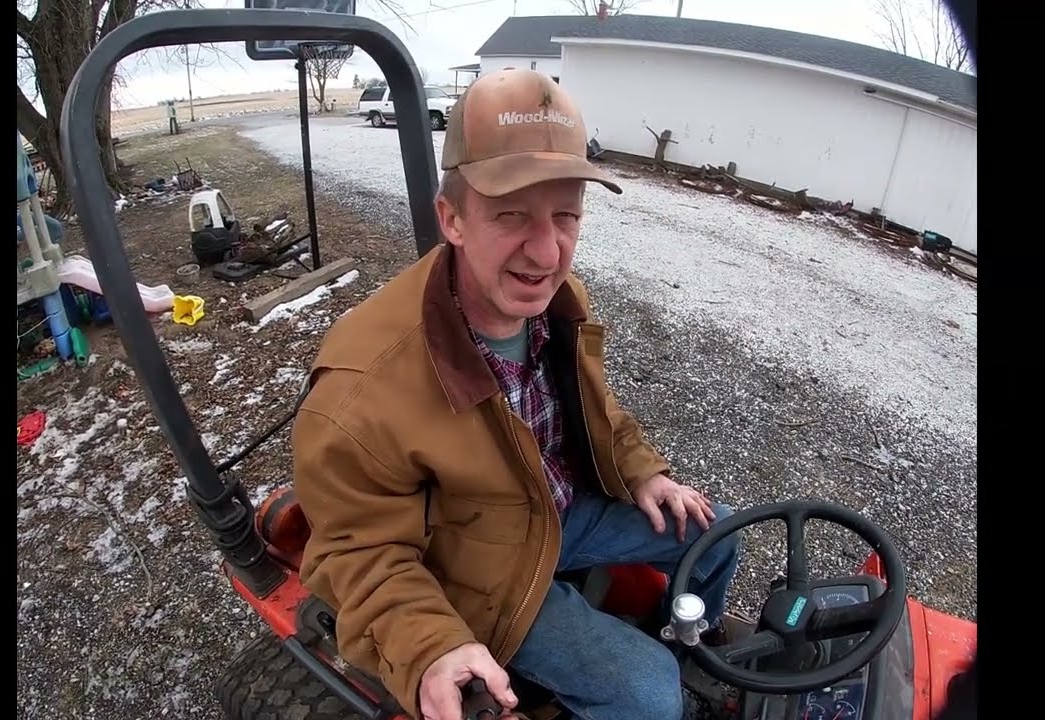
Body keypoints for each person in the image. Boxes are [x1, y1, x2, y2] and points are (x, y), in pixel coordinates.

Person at [291, 68, 742, 720]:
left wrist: (645, 473)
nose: (546, 249)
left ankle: (687, 635)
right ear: (452, 218)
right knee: (648, 693)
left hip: (562, 510)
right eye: (511, 214)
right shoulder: (361, 393)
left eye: (566, 216)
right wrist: (430, 647)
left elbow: (595, 409)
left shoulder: (557, 302)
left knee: (717, 532)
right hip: (479, 569)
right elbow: (360, 554)